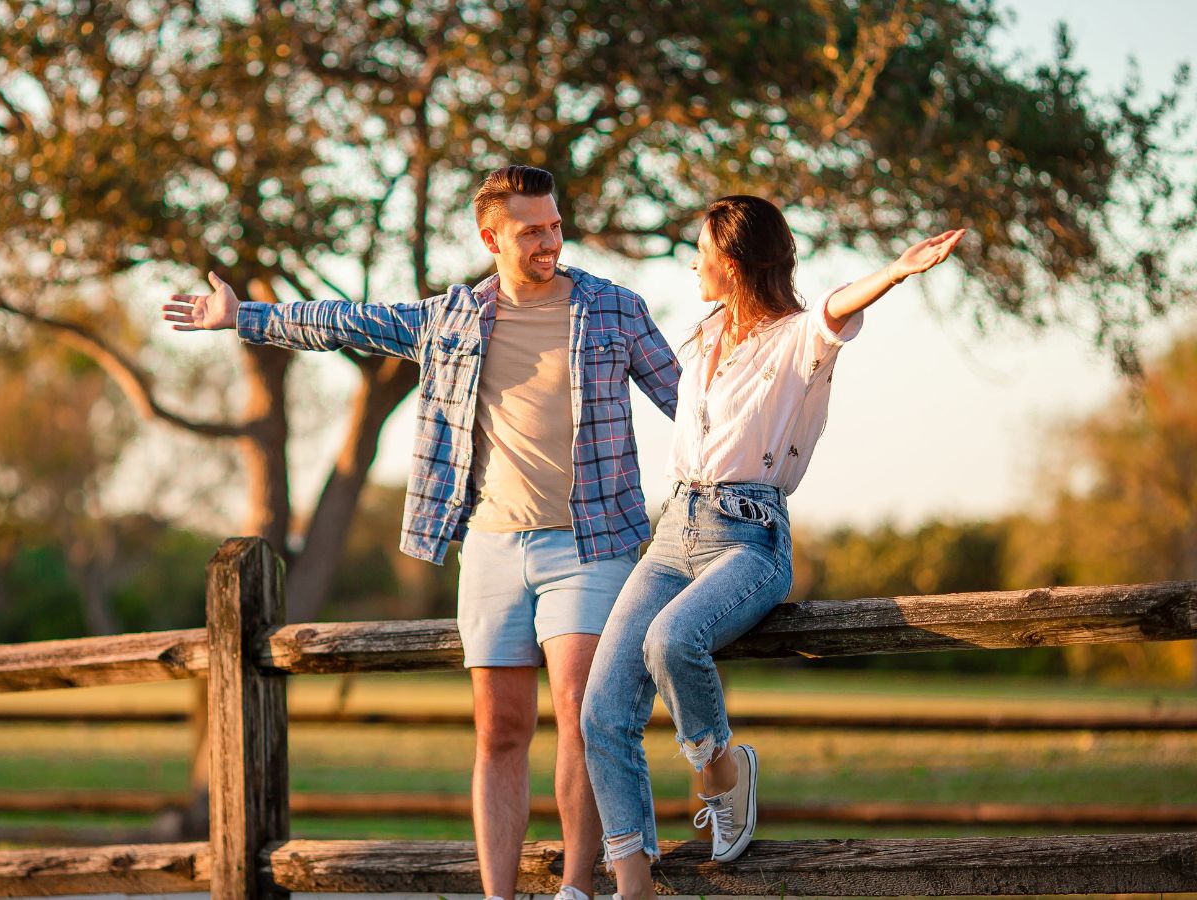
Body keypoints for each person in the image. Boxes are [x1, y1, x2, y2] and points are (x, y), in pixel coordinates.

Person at [164, 165, 682, 900]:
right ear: (491, 237)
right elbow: (346, 320)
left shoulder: (613, 310)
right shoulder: (454, 318)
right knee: (500, 729)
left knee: (577, 709)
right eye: (532, 230)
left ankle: (576, 888)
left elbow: (691, 403)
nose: (550, 241)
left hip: (590, 543)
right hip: (493, 547)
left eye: (555, 226)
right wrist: (241, 316)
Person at [580, 195, 963, 892]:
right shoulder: (701, 336)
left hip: (747, 537)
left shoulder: (796, 341)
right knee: (601, 711)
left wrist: (898, 270)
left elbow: (836, 307)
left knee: (670, 641)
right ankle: (632, 885)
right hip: (674, 529)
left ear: (730, 264)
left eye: (701, 254)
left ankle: (723, 774)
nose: (691, 264)